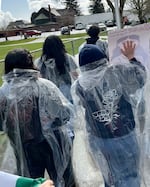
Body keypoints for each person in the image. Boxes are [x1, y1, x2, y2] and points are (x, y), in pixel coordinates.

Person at [72, 42, 146, 187]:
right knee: (129, 174)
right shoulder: (117, 73)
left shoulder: (80, 85)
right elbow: (140, 78)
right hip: (124, 135)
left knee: (109, 174)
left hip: (99, 138)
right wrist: (131, 58)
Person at [0, 48, 75, 187]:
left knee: (32, 183)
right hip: (53, 143)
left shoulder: (3, 91)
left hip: (24, 147)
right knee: (64, 179)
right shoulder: (44, 85)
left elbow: (1, 124)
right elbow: (64, 115)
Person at [34, 35, 79, 104]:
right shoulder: (66, 57)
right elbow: (74, 74)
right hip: (65, 89)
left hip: (49, 90)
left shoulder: (41, 61)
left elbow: (39, 77)